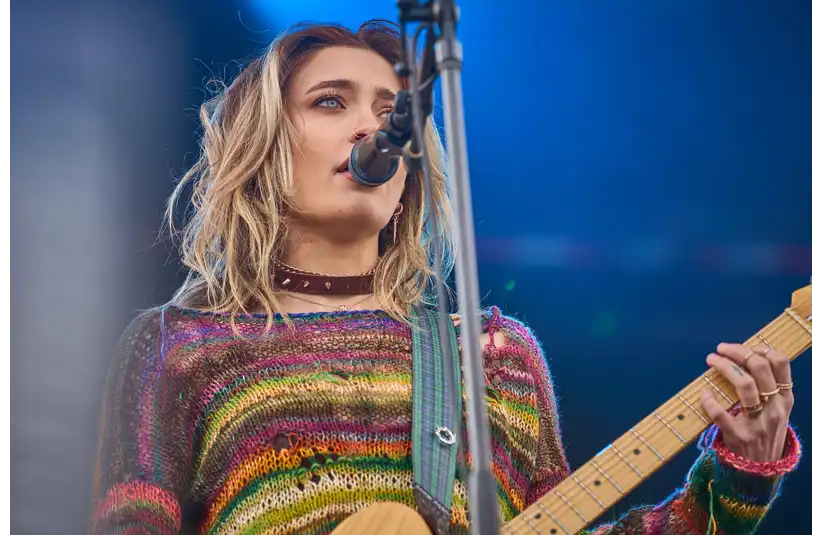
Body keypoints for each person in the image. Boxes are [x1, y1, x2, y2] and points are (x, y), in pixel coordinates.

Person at [90, 19, 801, 535]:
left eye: (390, 111)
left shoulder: (492, 357)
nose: (373, 129)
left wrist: (739, 474)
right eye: (331, 102)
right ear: (265, 146)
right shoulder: (176, 347)